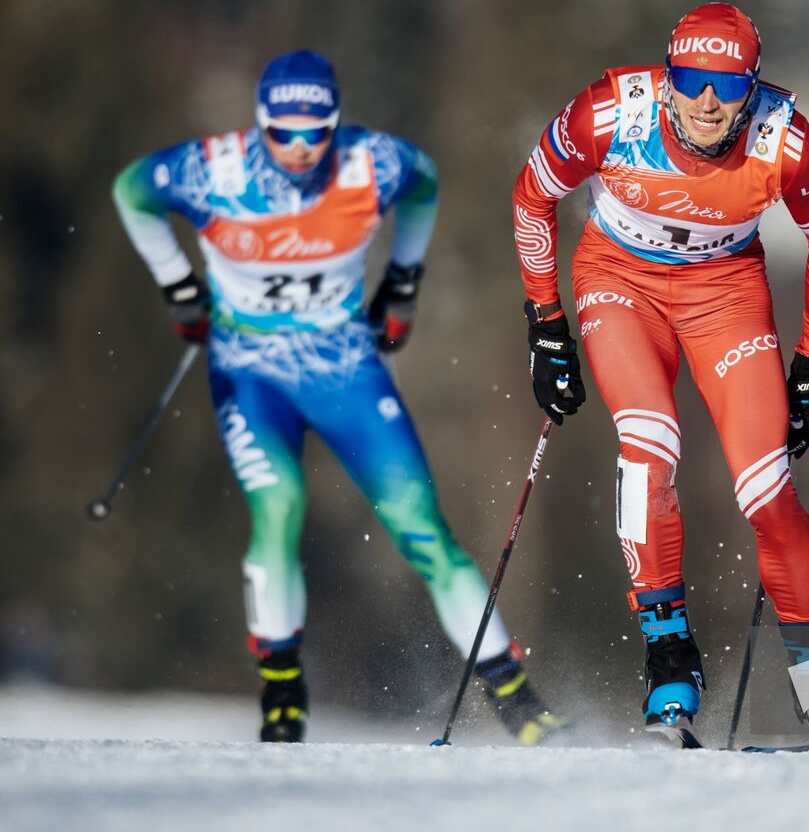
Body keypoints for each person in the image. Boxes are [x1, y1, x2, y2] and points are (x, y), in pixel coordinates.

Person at [113, 50, 563, 744]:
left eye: (316, 131)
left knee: (423, 528)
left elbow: (424, 182)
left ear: (335, 123)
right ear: (260, 123)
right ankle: (284, 692)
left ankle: (515, 697)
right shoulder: (214, 169)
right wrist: (177, 284)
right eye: (283, 132)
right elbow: (131, 191)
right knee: (279, 505)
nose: (299, 148)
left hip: (344, 367)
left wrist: (404, 281)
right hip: (251, 373)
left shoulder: (370, 163)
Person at [510, 3, 809, 745]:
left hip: (725, 293)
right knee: (649, 447)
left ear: (754, 88)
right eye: (694, 80)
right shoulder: (606, 113)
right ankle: (670, 665)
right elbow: (532, 196)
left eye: (728, 85)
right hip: (618, 280)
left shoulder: (787, 142)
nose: (709, 101)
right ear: (669, 78)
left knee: (765, 487)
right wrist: (547, 326)